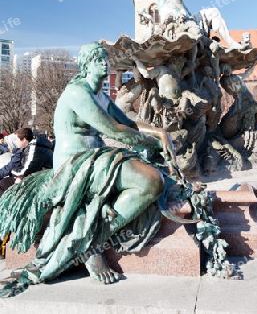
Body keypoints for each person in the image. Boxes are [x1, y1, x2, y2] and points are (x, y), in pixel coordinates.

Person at [0, 42, 175, 296]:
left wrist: (161, 134)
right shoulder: (77, 92)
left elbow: (129, 124)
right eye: (97, 59)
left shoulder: (101, 96)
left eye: (105, 58)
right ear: (86, 65)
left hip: (98, 159)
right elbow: (114, 130)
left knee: (153, 177)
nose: (104, 62)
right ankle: (90, 243)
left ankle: (94, 235)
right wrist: (153, 144)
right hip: (75, 165)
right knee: (151, 180)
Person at [0, 127, 53, 197]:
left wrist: (14, 173)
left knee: (3, 184)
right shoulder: (29, 147)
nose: (15, 142)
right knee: (4, 182)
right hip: (36, 176)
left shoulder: (34, 148)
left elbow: (26, 170)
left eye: (16, 139)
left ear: (24, 140)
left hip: (41, 180)